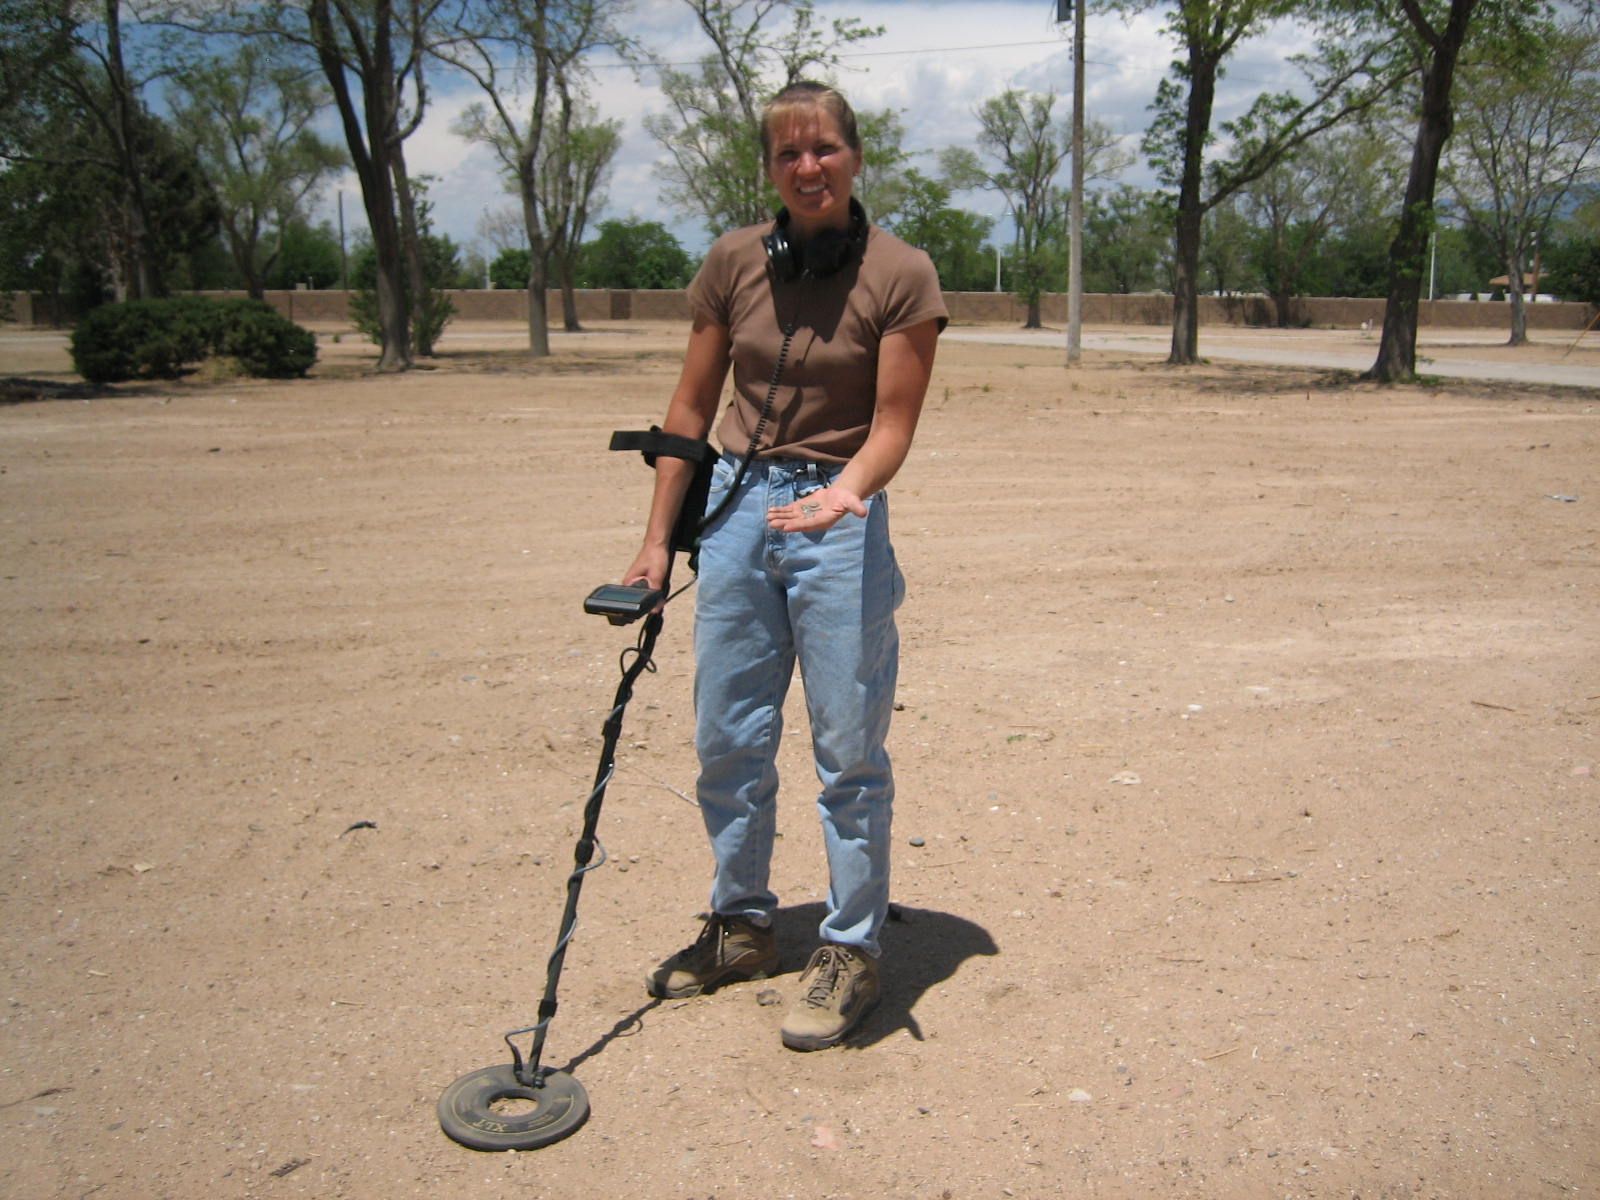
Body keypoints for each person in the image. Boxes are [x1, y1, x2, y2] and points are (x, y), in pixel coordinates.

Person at [623, 80, 946, 1051]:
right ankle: (742, 923)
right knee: (727, 732)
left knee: (847, 749)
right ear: (769, 168)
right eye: (787, 154)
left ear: (854, 156)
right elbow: (688, 412)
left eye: (824, 150)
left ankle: (849, 946)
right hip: (733, 505)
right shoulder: (731, 261)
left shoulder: (901, 273)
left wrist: (848, 493)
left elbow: (892, 424)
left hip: (837, 510)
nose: (807, 167)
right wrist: (652, 544)